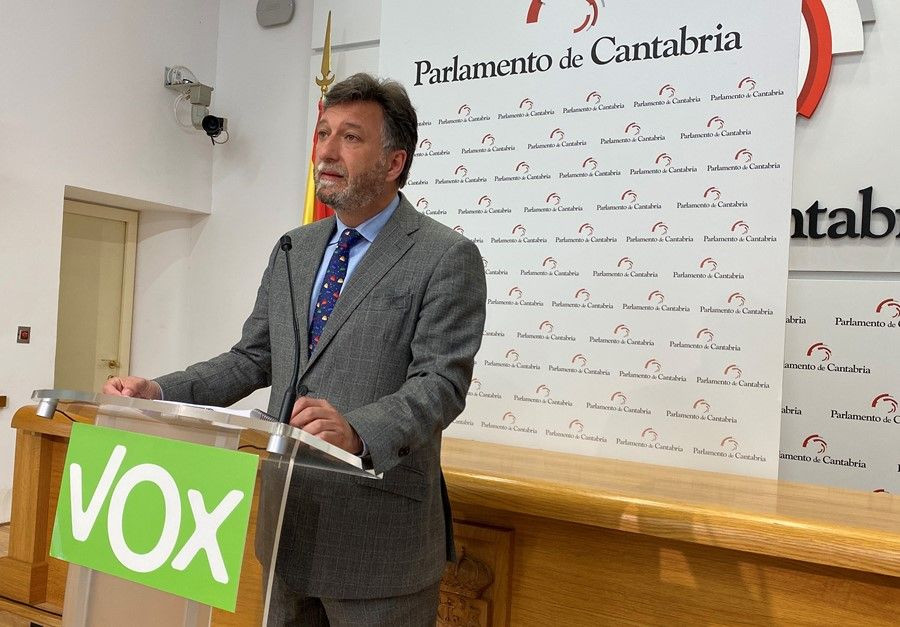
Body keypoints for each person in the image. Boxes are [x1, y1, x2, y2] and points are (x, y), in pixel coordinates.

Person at [104, 72, 487, 626]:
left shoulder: (444, 256)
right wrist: (161, 391)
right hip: (288, 527)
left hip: (378, 543)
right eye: (323, 133)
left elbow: (441, 383)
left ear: (394, 162)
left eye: (350, 137)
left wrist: (357, 430)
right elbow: (252, 357)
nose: (326, 151)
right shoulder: (295, 248)